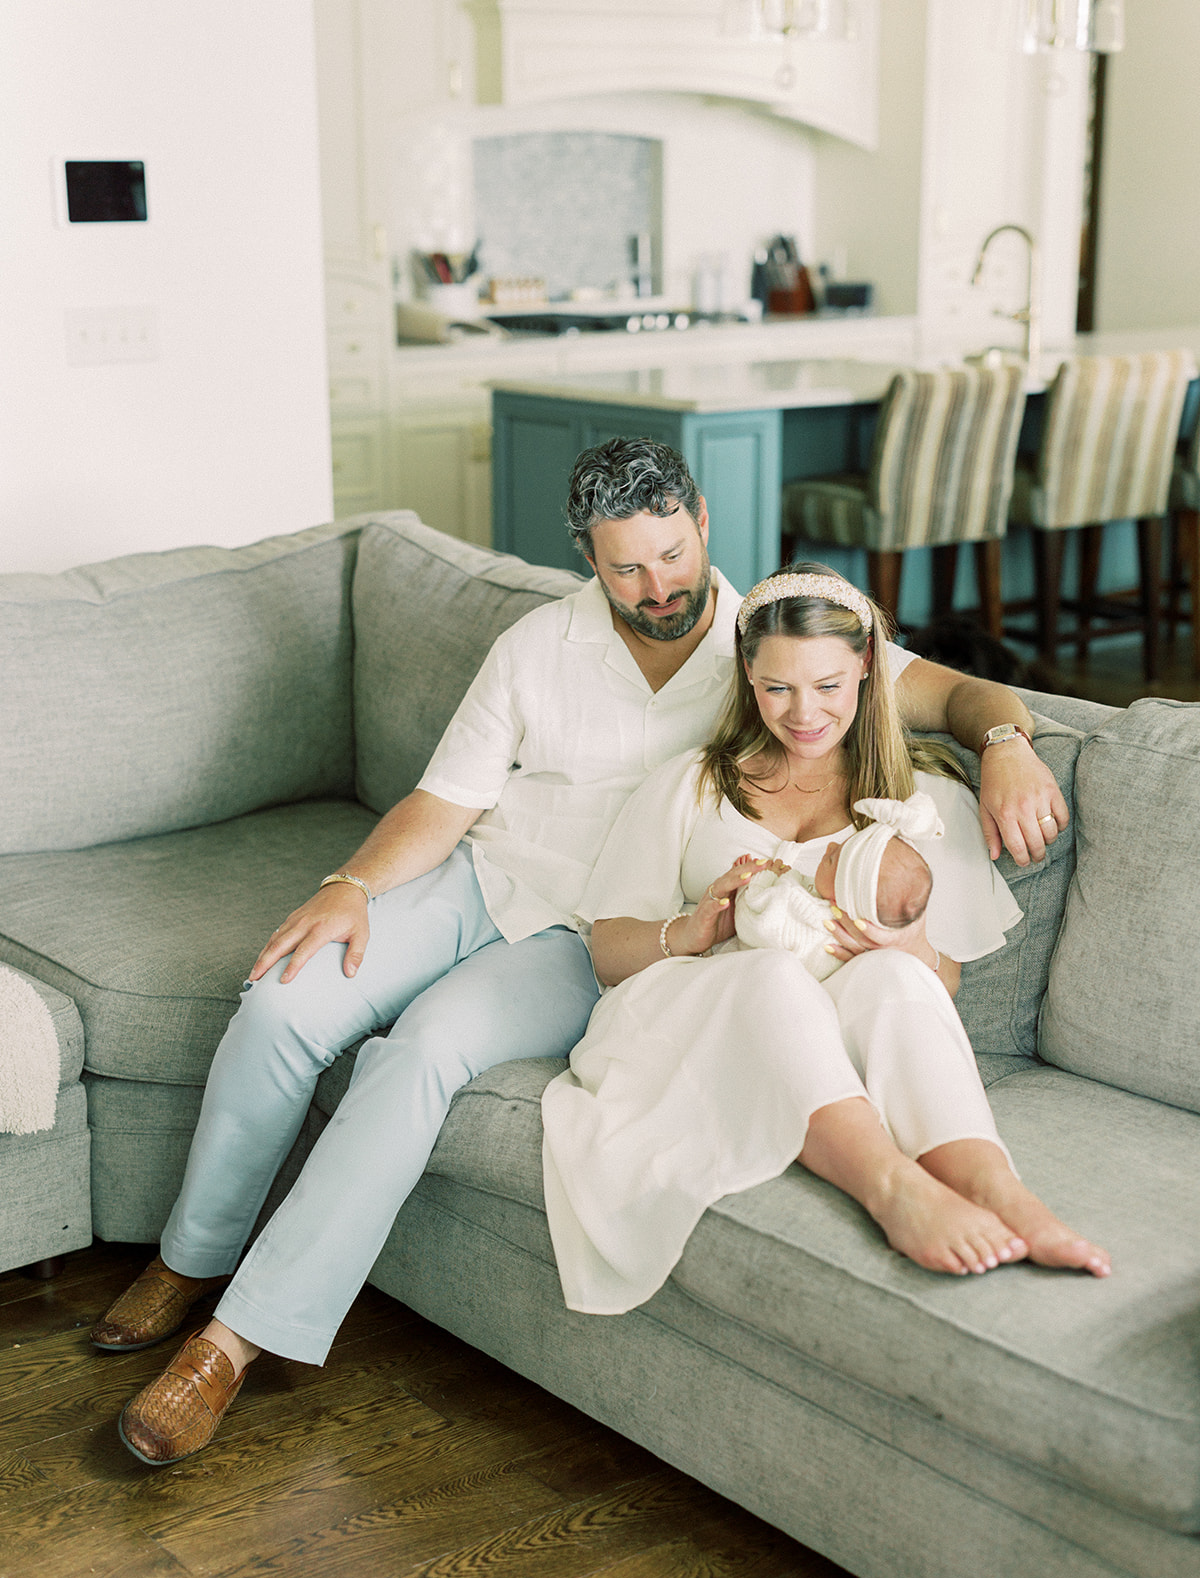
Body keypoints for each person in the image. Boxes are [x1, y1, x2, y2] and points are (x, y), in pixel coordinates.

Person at [92, 436, 1074, 1466]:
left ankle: (233, 1344)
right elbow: (447, 798)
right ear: (586, 559)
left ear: (699, 518)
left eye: (671, 556)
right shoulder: (536, 644)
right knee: (284, 1001)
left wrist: (1007, 747)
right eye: (625, 568)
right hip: (479, 878)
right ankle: (191, 1257)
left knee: (420, 1055)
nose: (658, 588)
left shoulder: (776, 645)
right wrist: (351, 887)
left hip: (585, 935)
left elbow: (960, 698)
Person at [541, 564, 1110, 1317]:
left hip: (834, 1037)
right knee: (772, 974)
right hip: (688, 1021)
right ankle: (892, 1187)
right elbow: (606, 952)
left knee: (898, 981)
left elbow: (939, 991)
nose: (803, 714)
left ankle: (1001, 1192)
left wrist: (906, 951)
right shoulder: (693, 784)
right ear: (748, 675)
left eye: (828, 687)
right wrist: (692, 928)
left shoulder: (921, 803)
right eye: (777, 688)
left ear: (867, 668)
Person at [733, 790, 941, 982]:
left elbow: (753, 919)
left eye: (832, 859)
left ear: (838, 898)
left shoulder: (799, 907)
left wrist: (759, 879)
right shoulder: (859, 939)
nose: (830, 846)